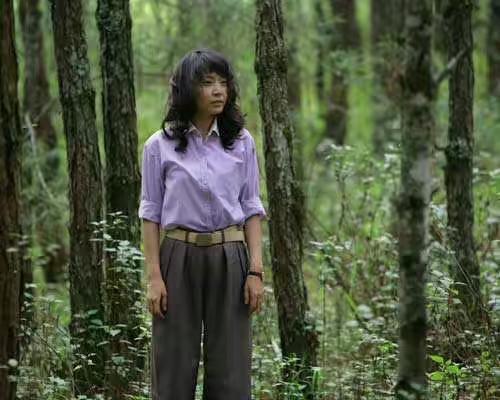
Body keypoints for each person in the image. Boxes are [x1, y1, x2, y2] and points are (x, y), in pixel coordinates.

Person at [138, 48, 268, 400]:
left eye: (223, 82)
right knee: (173, 367)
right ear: (187, 89)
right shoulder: (159, 146)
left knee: (231, 371)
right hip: (178, 256)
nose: (218, 90)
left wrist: (256, 271)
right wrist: (154, 277)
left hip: (231, 256)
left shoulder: (241, 142)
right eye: (208, 83)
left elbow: (251, 208)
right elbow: (150, 214)